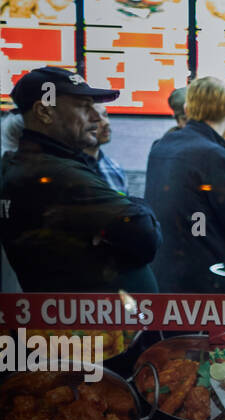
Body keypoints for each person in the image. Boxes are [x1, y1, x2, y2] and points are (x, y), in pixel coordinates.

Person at [0, 67, 161, 291]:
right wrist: (138, 206)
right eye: (84, 107)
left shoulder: (44, 165)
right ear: (44, 113)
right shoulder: (56, 174)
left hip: (95, 320)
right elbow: (146, 236)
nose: (96, 117)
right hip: (87, 323)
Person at [144, 76, 225, 292]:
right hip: (205, 281)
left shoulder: (161, 146)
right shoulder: (212, 154)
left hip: (162, 275)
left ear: (187, 108)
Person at [82, 103, 127, 193]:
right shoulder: (66, 170)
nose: (106, 122)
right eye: (95, 118)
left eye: (105, 115)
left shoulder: (115, 168)